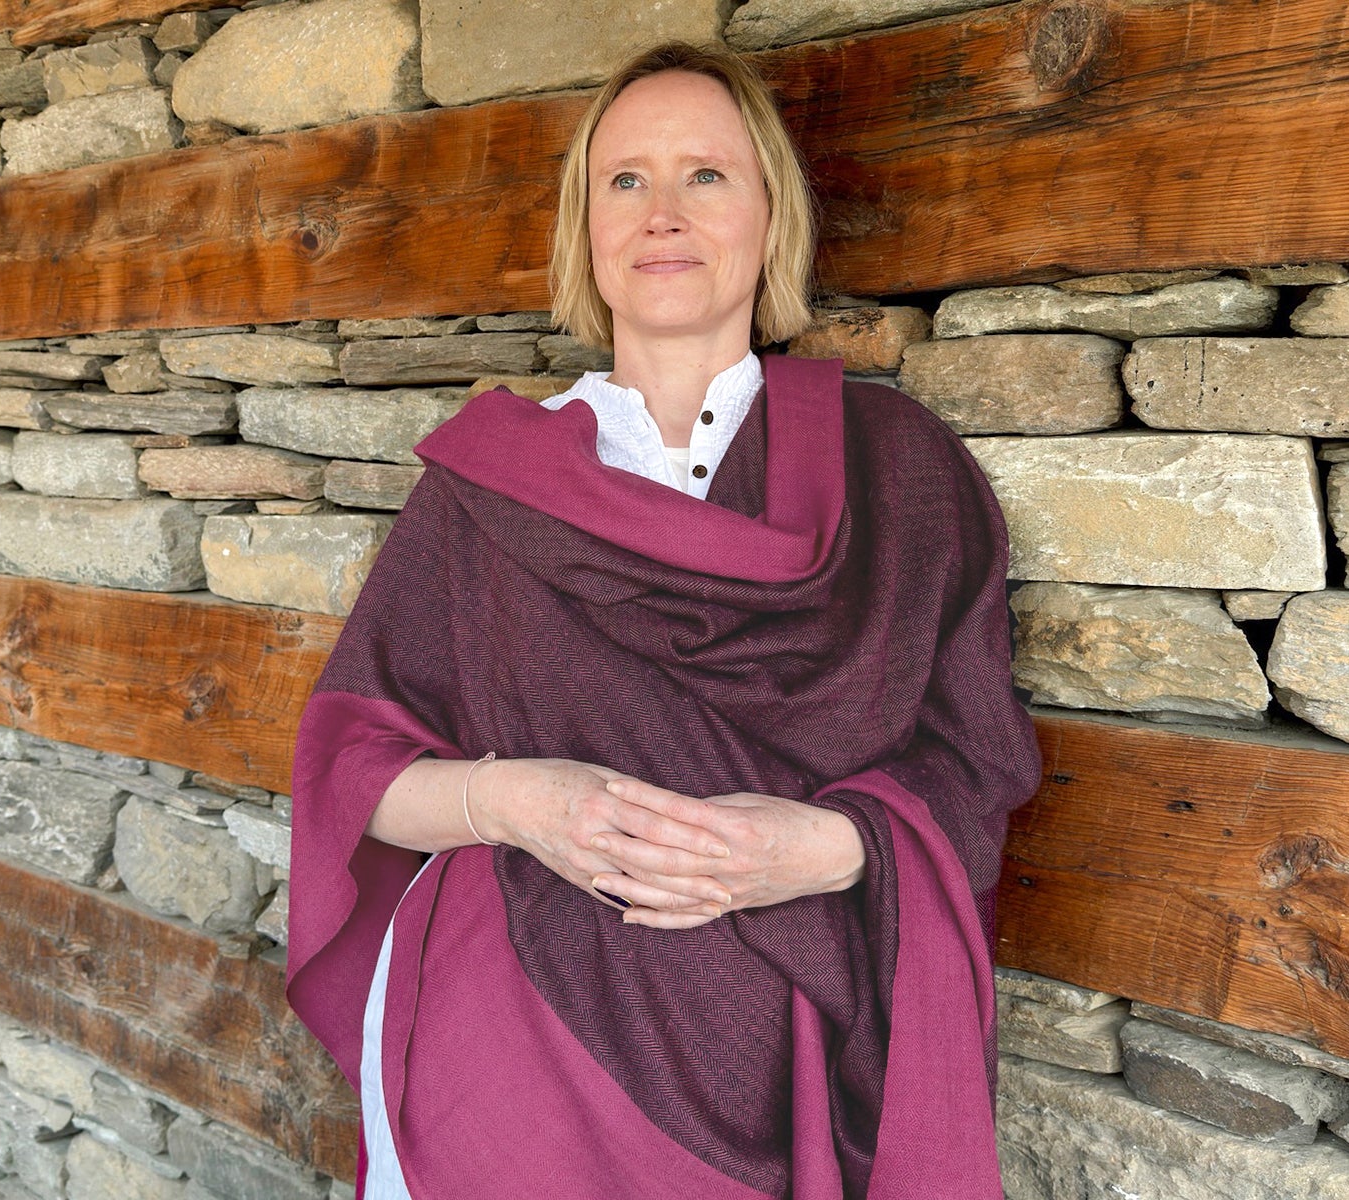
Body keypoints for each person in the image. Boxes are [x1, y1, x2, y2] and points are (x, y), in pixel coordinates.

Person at [287, 40, 1041, 1200]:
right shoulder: (488, 485)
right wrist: (518, 802)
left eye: (707, 175)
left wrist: (813, 848)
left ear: (768, 215)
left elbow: (974, 767)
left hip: (793, 1059)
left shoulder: (900, 473)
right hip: (506, 1046)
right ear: (584, 229)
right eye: (624, 180)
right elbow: (355, 772)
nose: (663, 214)